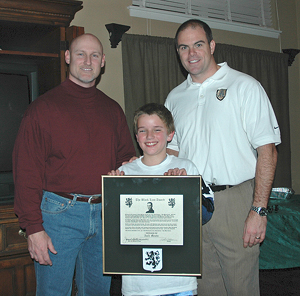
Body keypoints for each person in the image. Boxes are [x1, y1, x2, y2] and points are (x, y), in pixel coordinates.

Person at [12, 33, 136, 296]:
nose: (87, 61)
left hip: (104, 215)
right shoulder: (42, 109)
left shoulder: (112, 109)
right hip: (58, 218)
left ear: (103, 61)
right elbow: (26, 173)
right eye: (80, 54)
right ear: (68, 57)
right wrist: (33, 228)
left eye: (94, 55)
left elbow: (126, 161)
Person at [164, 19, 280, 296]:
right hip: (192, 203)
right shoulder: (174, 98)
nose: (191, 53)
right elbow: (171, 152)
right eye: (183, 47)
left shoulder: (245, 86)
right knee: (204, 288)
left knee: (242, 288)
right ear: (178, 53)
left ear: (212, 45)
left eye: (198, 44)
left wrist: (258, 210)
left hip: (235, 203)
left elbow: (268, 151)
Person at [109, 102, 214, 296]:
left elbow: (206, 214)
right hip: (137, 283)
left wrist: (186, 188)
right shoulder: (124, 173)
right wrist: (113, 196)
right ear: (136, 136)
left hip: (179, 281)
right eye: (143, 130)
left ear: (170, 134)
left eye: (157, 130)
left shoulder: (186, 168)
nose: (149, 136)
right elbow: (110, 227)